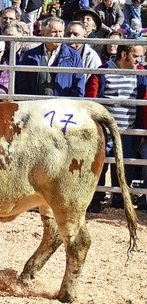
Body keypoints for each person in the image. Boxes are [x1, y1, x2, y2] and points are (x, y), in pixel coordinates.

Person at [85, 44, 147, 212]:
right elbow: (91, 99)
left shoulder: (141, 73)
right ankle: (95, 197)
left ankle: (120, 199)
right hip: (103, 130)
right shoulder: (103, 71)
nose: (139, 60)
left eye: (140, 56)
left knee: (125, 166)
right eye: (136, 56)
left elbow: (142, 104)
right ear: (124, 54)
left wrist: (141, 130)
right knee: (99, 164)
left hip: (129, 129)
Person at [16, 16, 85, 97]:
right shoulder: (30, 56)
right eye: (54, 31)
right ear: (43, 33)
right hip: (36, 106)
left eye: (60, 31)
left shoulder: (73, 56)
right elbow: (22, 86)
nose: (58, 35)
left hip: (64, 107)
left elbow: (78, 87)